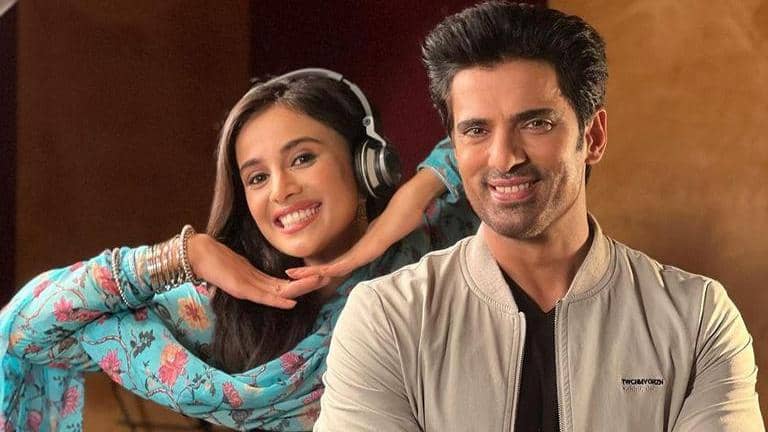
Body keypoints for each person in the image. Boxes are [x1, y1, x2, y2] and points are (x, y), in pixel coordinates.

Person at [314, 2, 765, 431]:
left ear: (593, 137)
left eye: (536, 124)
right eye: (476, 130)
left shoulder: (697, 319)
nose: (504, 157)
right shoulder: (387, 320)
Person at [0, 69, 478, 431]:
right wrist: (184, 255)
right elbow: (23, 331)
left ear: (366, 164)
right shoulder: (229, 315)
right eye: (257, 177)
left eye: (302, 158)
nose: (281, 190)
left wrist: (413, 196)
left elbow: (500, 140)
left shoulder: (436, 244)